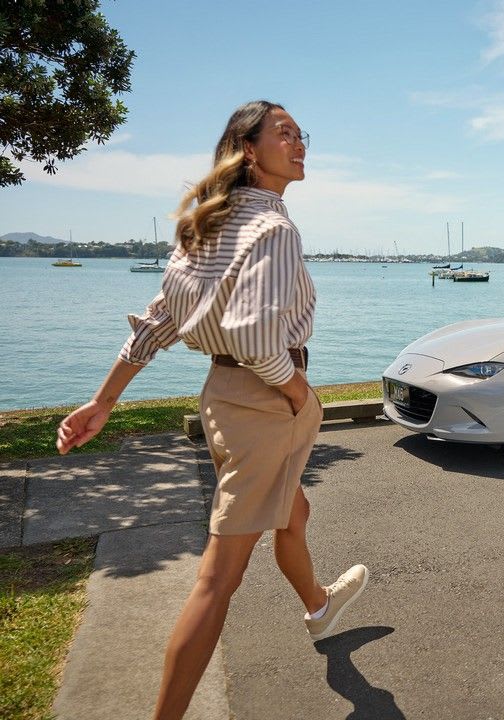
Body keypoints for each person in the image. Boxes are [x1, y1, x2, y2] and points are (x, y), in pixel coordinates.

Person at [55, 100, 367, 720]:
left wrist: (104, 399)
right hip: (267, 400)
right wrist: (299, 392)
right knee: (217, 581)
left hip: (226, 398)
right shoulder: (275, 230)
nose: (299, 142)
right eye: (284, 133)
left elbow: (159, 322)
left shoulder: (206, 227)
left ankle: (320, 605)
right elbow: (255, 340)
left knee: (293, 510)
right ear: (248, 149)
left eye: (302, 134)